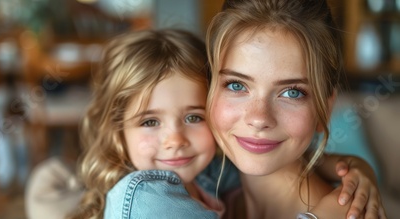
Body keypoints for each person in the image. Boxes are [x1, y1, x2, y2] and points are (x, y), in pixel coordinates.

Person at [62, 28, 384, 219]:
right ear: (118, 131)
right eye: (149, 122)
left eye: (193, 117)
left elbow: (287, 159)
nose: (175, 139)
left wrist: (356, 169)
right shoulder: (147, 197)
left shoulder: (208, 173)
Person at [205, 0, 386, 218]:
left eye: (292, 92)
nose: (259, 118)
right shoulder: (202, 195)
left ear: (324, 109)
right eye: (236, 85)